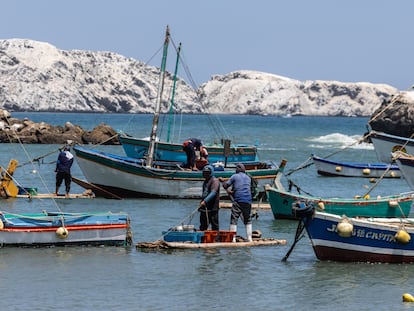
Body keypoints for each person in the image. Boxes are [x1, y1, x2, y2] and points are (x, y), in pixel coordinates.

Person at [218, 163, 253, 242]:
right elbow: (242, 188)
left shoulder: (234, 176)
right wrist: (232, 192)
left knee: (234, 218)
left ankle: (232, 238)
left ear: (237, 169)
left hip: (238, 200)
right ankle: (249, 238)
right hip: (248, 200)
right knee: (247, 219)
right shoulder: (248, 178)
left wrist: (222, 181)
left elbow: (226, 186)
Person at [198, 165, 220, 231]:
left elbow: (213, 193)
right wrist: (201, 204)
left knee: (214, 225)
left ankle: (216, 239)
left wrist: (205, 201)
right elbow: (204, 194)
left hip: (213, 208)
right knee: (203, 225)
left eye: (207, 173)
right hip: (205, 208)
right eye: (204, 173)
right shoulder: (205, 182)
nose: (205, 174)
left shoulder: (215, 181)